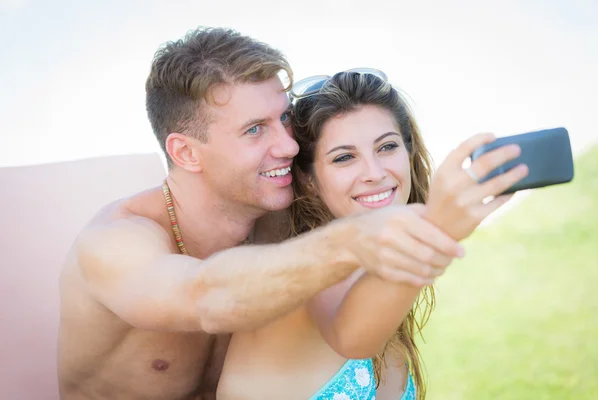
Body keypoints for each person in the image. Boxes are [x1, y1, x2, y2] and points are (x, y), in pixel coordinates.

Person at [56, 29, 467, 400]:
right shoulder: (116, 243)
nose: (289, 146)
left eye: (284, 117)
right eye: (255, 129)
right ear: (185, 152)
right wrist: (354, 240)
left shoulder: (285, 221)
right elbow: (204, 297)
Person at [216, 70, 528, 399]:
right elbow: (353, 339)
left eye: (387, 147)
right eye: (344, 157)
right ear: (309, 180)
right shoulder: (309, 266)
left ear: (409, 152)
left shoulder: (379, 259)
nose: (375, 174)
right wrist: (437, 227)